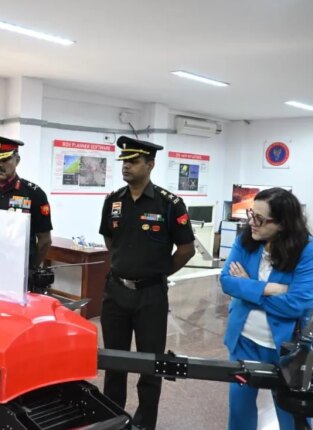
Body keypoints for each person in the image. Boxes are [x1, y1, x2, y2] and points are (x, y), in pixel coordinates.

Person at [99, 136, 196, 430]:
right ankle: (113, 420)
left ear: (150, 164)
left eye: (134, 161)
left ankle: (144, 424)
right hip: (116, 293)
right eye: (124, 161)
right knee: (114, 362)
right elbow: (110, 241)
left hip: (151, 296)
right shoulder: (113, 201)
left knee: (151, 365)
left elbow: (186, 249)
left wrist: (157, 274)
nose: (126, 166)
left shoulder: (170, 204)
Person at [220, 187, 313, 430]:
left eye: (259, 218)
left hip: (290, 348)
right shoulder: (246, 240)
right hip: (244, 342)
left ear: (282, 224)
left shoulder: (311, 252)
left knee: (292, 415)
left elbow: (296, 305)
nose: (251, 222)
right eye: (251, 214)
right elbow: (226, 281)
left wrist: (247, 288)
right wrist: (268, 288)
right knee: (239, 410)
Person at [0, 136, 53, 290]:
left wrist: (31, 267)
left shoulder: (34, 193)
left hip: (20, 271)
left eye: (5, 160)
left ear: (17, 160)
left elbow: (45, 240)